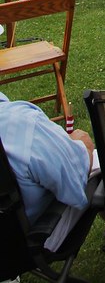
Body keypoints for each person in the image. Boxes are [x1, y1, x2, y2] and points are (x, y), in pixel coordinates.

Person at [0, 91, 96, 250]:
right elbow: (75, 179)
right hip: (25, 243)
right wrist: (83, 147)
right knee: (100, 160)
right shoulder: (21, 123)